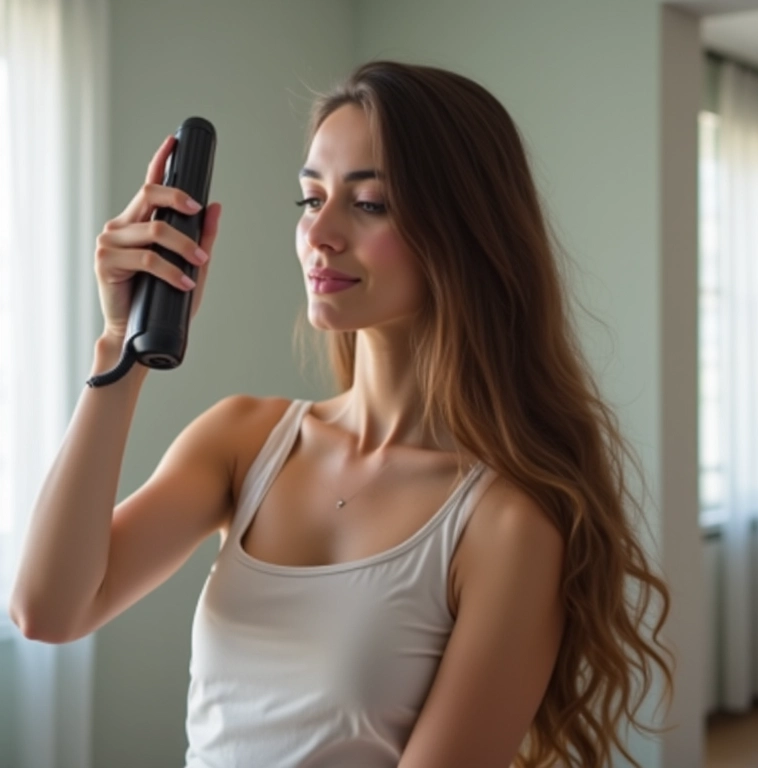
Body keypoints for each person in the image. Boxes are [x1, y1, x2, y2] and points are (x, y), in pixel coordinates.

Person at [10, 60, 674, 768]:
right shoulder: (244, 441)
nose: (319, 233)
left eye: (370, 204)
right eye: (310, 198)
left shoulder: (506, 524)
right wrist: (122, 347)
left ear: (465, 229)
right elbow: (49, 610)